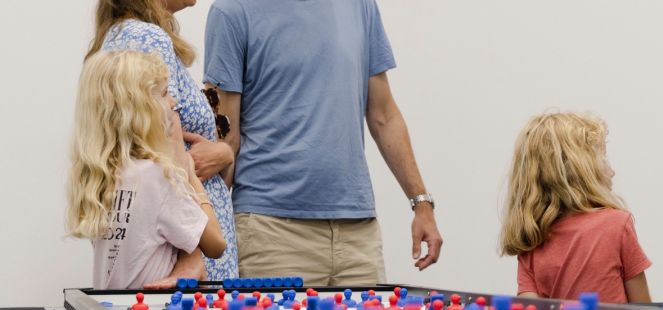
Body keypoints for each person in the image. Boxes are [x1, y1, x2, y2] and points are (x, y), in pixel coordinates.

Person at [202, 0, 443, 285]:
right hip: (272, 234)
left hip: (358, 235)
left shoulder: (360, 5)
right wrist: (200, 242)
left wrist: (421, 203)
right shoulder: (232, 12)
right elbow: (225, 142)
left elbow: (384, 114)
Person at [86, 0, 238, 285]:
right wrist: (191, 263)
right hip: (191, 246)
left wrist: (221, 153)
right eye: (165, 94)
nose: (170, 100)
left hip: (187, 233)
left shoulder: (128, 34)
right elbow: (161, 143)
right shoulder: (147, 37)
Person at [66, 51, 226, 289]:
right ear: (140, 110)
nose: (173, 102)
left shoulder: (101, 175)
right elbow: (215, 245)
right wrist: (189, 174)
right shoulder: (156, 175)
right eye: (163, 94)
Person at [499, 112, 652, 304]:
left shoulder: (532, 238)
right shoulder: (617, 224)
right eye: (603, 159)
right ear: (582, 170)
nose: (612, 171)